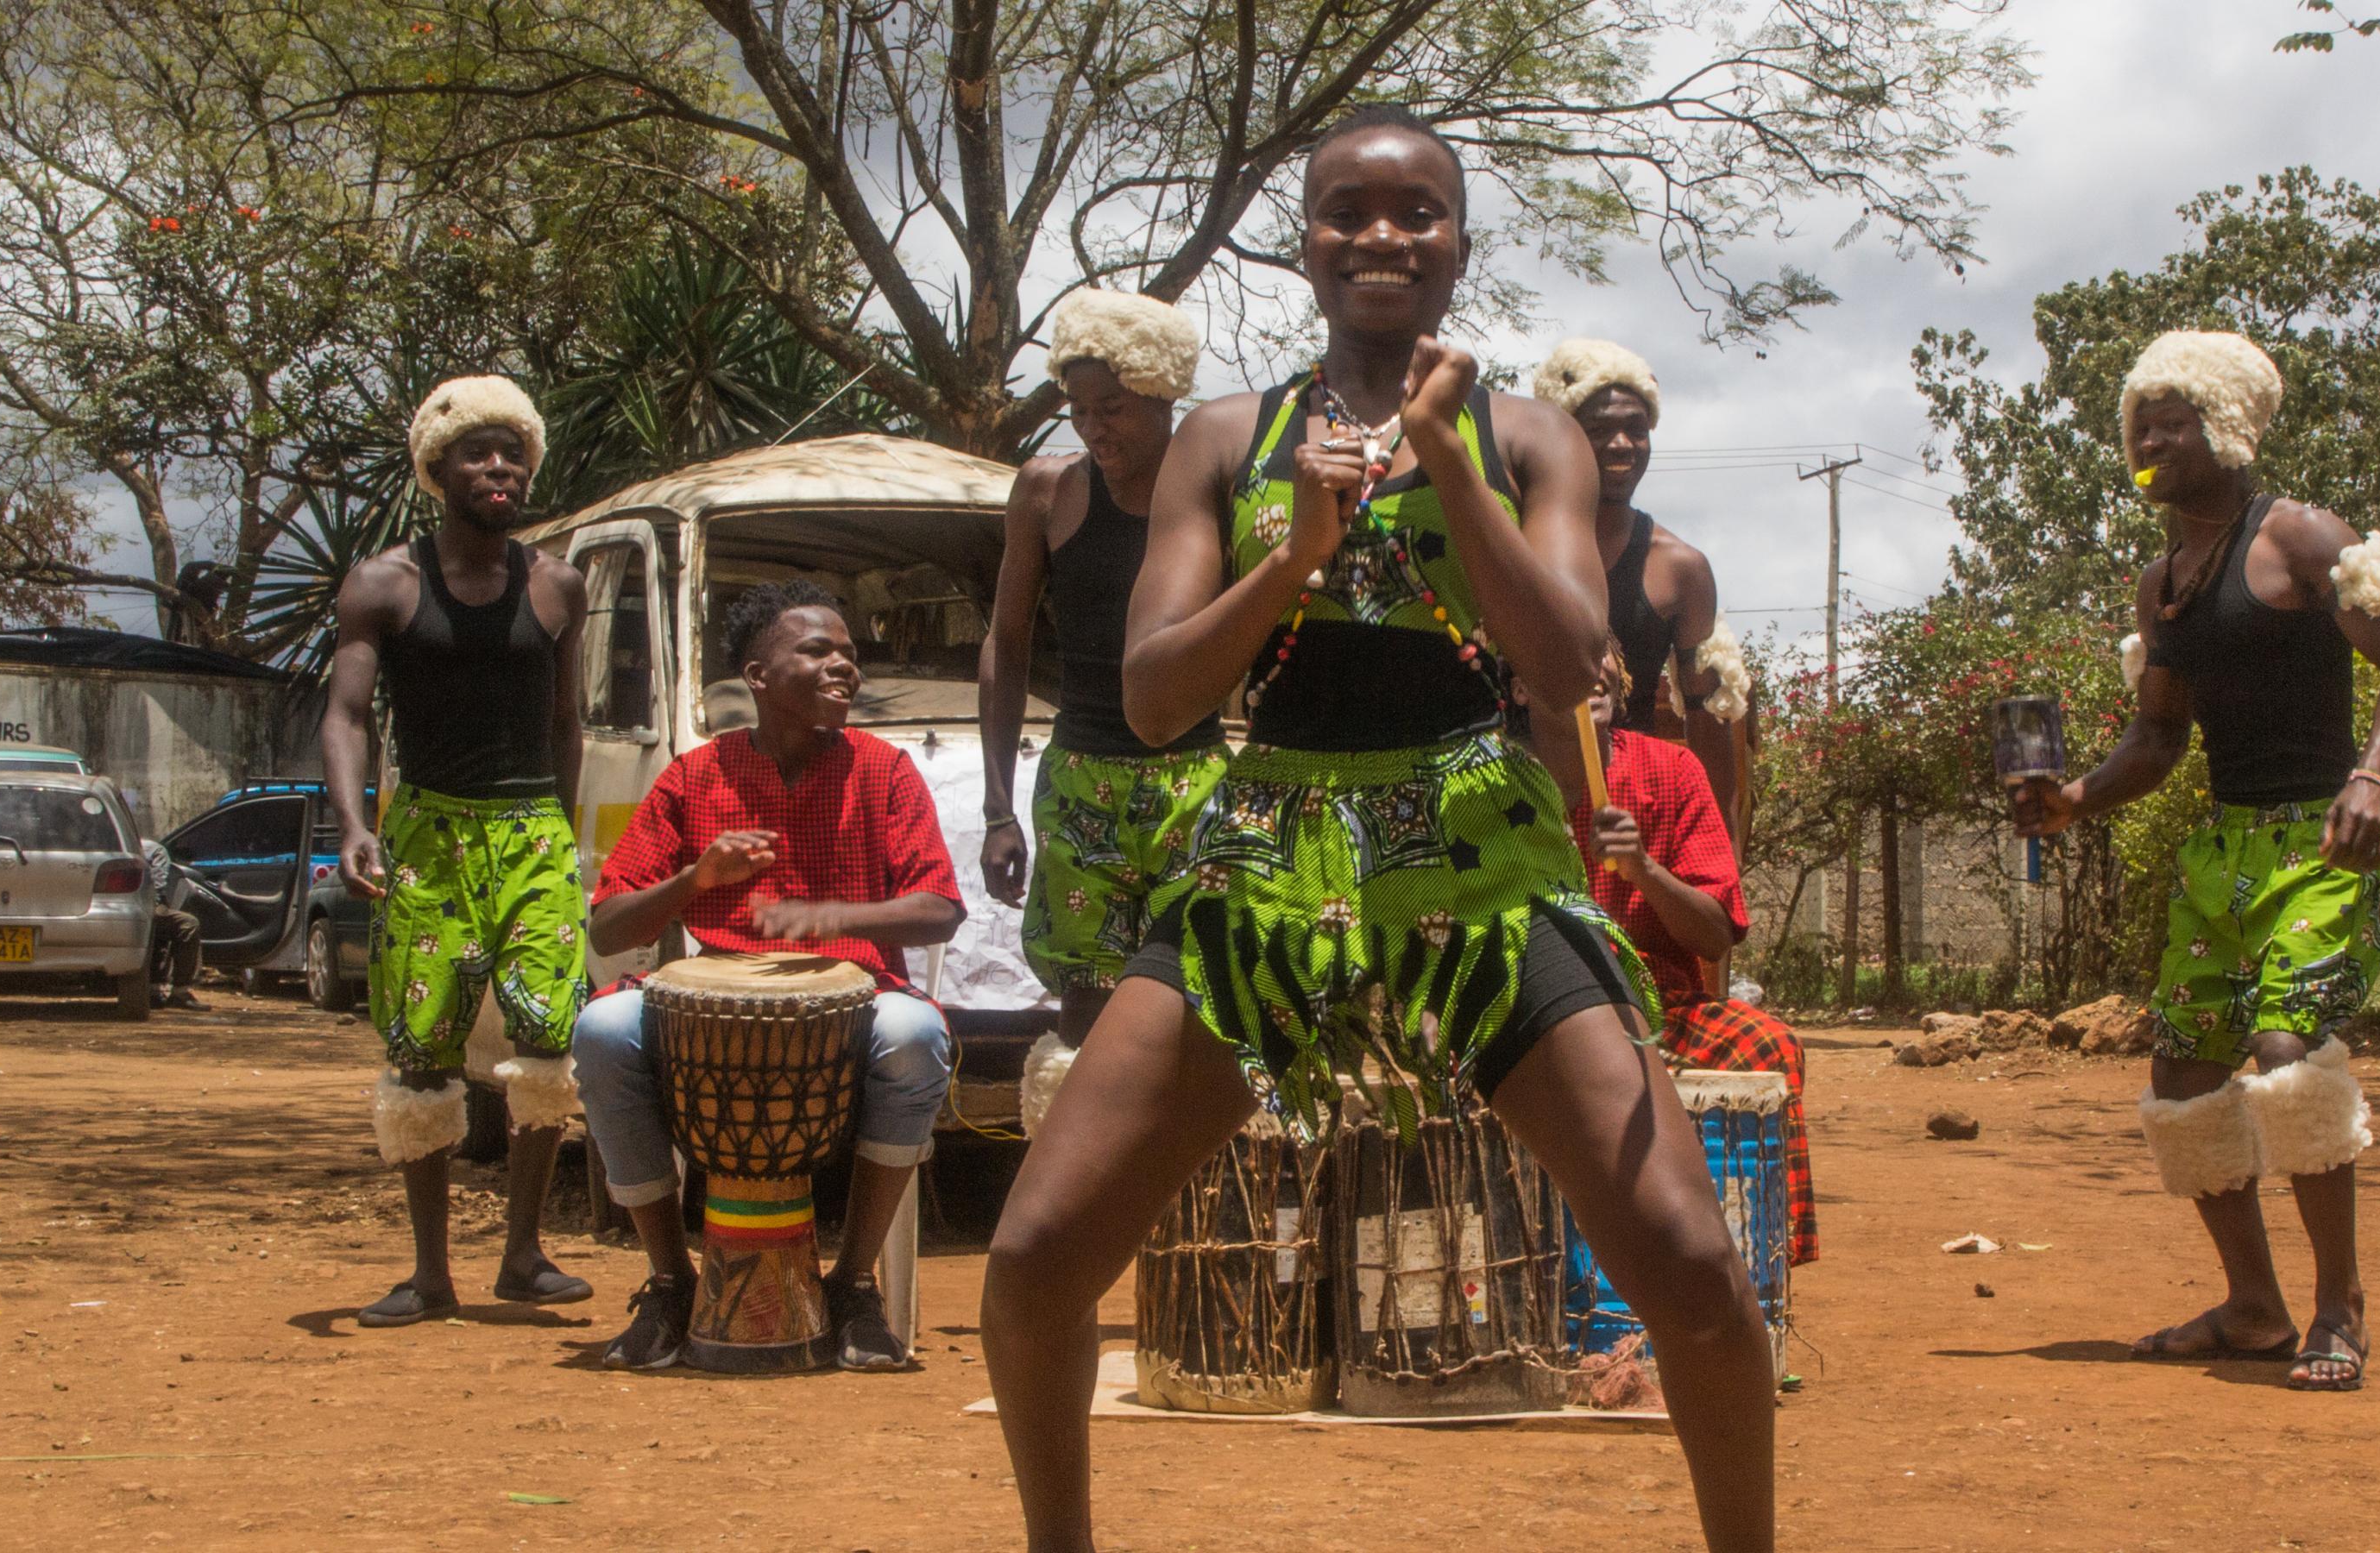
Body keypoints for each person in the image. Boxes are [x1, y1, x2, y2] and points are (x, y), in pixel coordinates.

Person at [981, 107, 1775, 1552]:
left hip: (1481, 850)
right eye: (1351, 211)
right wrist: (1297, 548)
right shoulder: (1227, 439)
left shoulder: (1530, 437)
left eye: (1418, 215)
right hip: (1269, 857)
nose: (1384, 237)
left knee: (1690, 1265)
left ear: (1461, 244)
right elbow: (1156, 702)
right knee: (1035, 1257)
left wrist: (1449, 466)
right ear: (1308, 242)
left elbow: (1563, 666)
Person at [2014, 330, 2380, 1393]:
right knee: (2182, 1076)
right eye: (2138, 423)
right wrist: (2069, 801)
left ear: (2228, 426)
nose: (2150, 439)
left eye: (2173, 420)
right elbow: (2157, 742)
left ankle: (2339, 1305)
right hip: (2223, 852)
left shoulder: (2295, 538)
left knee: (2284, 1045)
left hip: (2323, 839)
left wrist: (2371, 778)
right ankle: (2253, 1309)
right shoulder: (2162, 583)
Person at [577, 582, 965, 1372]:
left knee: (917, 1034)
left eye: (850, 655)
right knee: (603, 1032)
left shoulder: (885, 771)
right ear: (757, 675)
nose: (843, 668)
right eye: (818, 651)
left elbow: (940, 908)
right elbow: (610, 924)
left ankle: (855, 1286)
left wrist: (832, 919)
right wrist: (694, 880)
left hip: (857, 995)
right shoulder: (694, 777)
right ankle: (669, 1283)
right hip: (708, 992)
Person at [320, 374, 593, 1327]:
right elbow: (346, 714)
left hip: (532, 835)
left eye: (512, 451)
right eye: (477, 452)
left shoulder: (557, 583)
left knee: (548, 1035)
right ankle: (430, 1272)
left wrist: (560, 830)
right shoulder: (382, 584)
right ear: (435, 469)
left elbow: (567, 722)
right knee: (423, 1045)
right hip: (427, 832)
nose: (498, 468)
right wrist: (357, 825)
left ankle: (522, 1254)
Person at [978, 291, 1229, 1059]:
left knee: (1197, 993)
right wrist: (998, 809)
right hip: (1081, 777)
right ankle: (1078, 1161)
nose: (1092, 428)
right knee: (1086, 1002)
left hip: (1194, 779)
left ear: (1163, 397)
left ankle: (1185, 1175)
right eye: (1078, 409)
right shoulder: (1047, 491)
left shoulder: (1222, 498)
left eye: (1112, 407)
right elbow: (1007, 641)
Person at [1519, 641, 1816, 1267]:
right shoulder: (1491, 784)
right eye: (1568, 643)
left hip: (1659, 1011)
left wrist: (1643, 870)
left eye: (1602, 653)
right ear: (1521, 689)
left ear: (1621, 683)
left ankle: (1760, 1280)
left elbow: (1717, 935)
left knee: (1768, 1047)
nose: (1592, 665)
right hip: (1534, 1021)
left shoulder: (1672, 771)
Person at [1530, 339, 1749, 835]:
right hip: (1519, 806)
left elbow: (1710, 720)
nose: (1622, 444)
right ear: (1559, 435)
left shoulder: (1679, 570)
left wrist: (1721, 862)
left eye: (1636, 428)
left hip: (1630, 818)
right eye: (1599, 430)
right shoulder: (1513, 545)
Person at [141, 836, 205, 1010]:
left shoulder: (96, 844)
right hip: (140, 909)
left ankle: (155, 988)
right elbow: (159, 887)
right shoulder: (153, 849)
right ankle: (180, 992)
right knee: (188, 924)